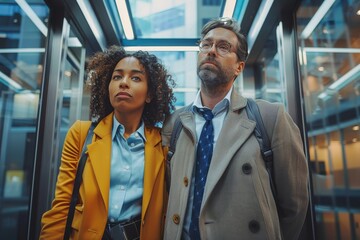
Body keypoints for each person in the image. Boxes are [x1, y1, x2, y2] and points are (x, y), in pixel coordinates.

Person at [162, 17, 309, 240]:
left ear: (239, 67)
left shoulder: (270, 117)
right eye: (206, 44)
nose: (211, 51)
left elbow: (294, 204)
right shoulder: (174, 123)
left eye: (223, 47)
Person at [40, 45, 175, 240]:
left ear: (150, 95)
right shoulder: (81, 134)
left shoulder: (163, 142)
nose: (124, 83)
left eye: (135, 78)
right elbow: (62, 204)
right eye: (117, 77)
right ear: (108, 86)